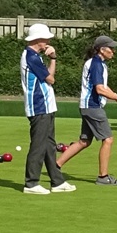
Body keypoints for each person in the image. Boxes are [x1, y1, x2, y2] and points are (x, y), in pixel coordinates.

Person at [57, 36, 117, 185]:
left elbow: (103, 86)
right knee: (108, 139)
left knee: (84, 141)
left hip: (88, 107)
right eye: (111, 48)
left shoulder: (99, 64)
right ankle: (103, 177)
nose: (113, 51)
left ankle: (56, 165)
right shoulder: (96, 64)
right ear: (101, 49)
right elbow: (99, 90)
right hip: (93, 107)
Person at [21, 23, 75, 195]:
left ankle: (57, 181)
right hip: (39, 106)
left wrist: (53, 59)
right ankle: (31, 183)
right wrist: (52, 59)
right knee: (38, 145)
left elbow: (50, 77)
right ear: (38, 39)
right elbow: (50, 79)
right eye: (46, 39)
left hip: (46, 106)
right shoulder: (31, 57)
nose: (48, 41)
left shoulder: (35, 56)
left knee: (49, 145)